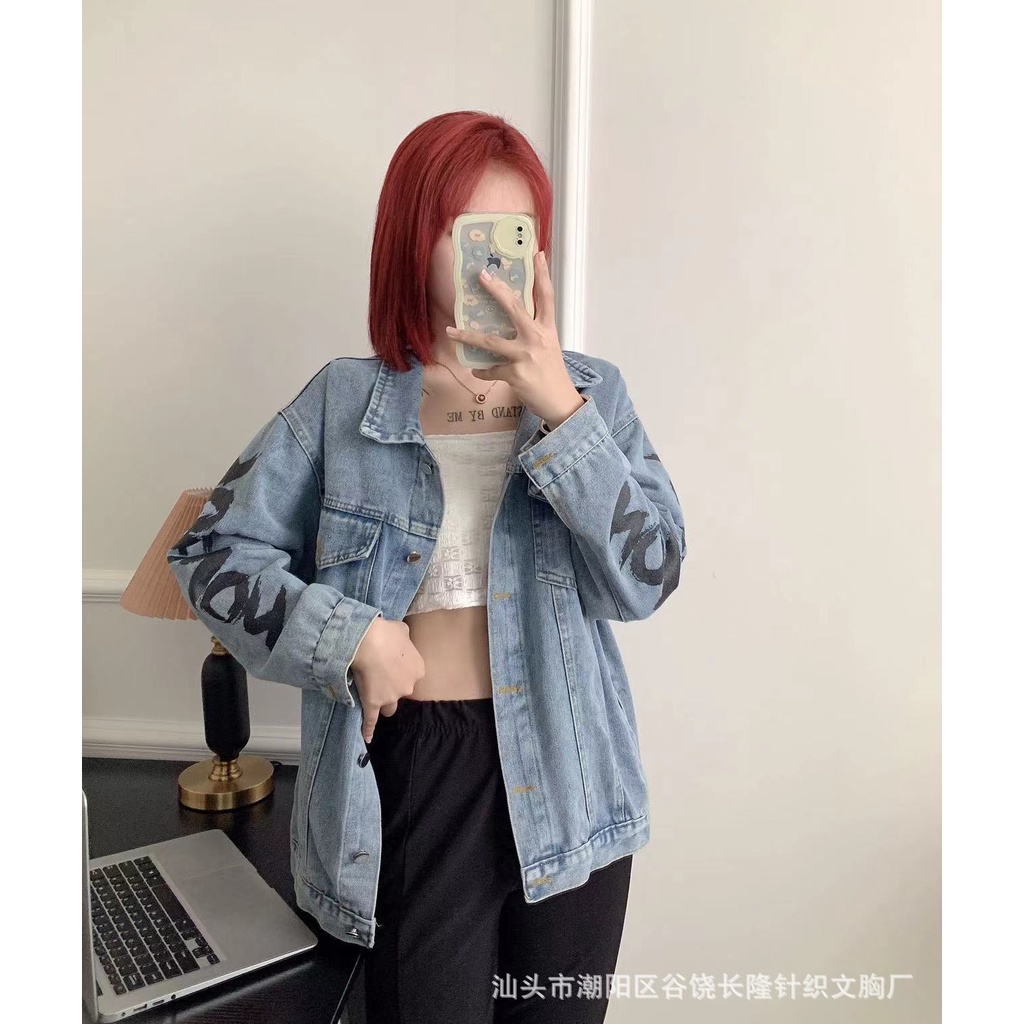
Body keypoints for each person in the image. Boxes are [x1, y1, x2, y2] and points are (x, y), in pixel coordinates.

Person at [167, 111, 686, 1024]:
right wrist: (350, 637)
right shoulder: (341, 403)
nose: (494, 264)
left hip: (573, 767)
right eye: (467, 232)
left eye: (514, 233)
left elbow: (650, 576)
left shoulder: (593, 394)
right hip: (412, 771)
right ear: (415, 240)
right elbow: (210, 556)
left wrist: (560, 407)